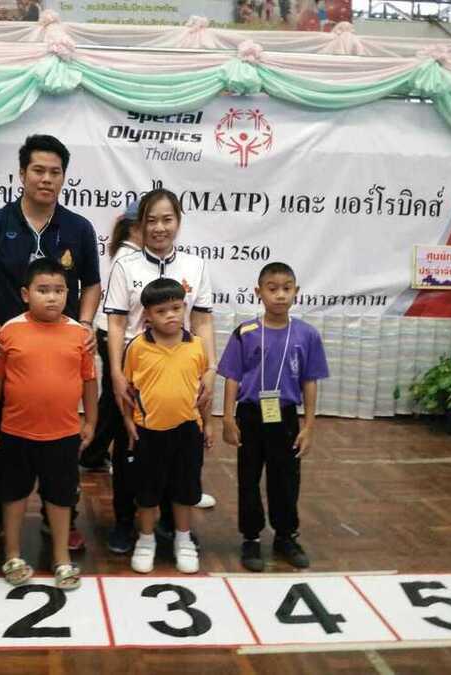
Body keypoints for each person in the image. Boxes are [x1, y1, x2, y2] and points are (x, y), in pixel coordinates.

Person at [0, 134, 101, 556]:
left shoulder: (79, 228)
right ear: (22, 173)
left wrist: (85, 324)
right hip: (9, 349)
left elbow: (92, 284)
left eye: (55, 172)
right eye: (38, 170)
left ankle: (60, 519)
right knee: (2, 441)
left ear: (64, 177)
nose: (46, 179)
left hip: (61, 352)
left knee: (61, 443)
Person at [103, 188, 218, 543]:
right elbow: (116, 324)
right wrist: (116, 373)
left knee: (180, 449)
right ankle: (125, 521)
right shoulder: (125, 265)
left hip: (182, 372)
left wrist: (210, 368)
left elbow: (202, 321)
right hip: (136, 371)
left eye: (167, 219)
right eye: (151, 220)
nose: (159, 228)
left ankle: (171, 522)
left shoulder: (195, 266)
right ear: (140, 224)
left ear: (178, 222)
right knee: (131, 447)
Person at [0, 258, 97, 590]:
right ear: (25, 294)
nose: (52, 297)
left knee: (61, 497)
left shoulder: (80, 334)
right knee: (13, 494)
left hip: (63, 434)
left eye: (59, 290)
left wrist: (91, 420)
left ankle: (61, 557)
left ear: (68, 294)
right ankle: (13, 554)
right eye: (43, 290)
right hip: (16, 433)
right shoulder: (8, 331)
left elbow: (89, 380)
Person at [219, 262, 329, 572]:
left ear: (296, 292)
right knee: (249, 478)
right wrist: (227, 417)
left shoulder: (307, 334)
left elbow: (310, 381)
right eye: (272, 289)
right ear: (259, 292)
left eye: (286, 288)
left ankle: (285, 535)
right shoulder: (246, 333)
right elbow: (232, 376)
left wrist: (309, 426)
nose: (280, 295)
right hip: (251, 415)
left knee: (286, 479)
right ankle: (251, 537)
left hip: (285, 417)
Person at [122, 279, 212, 575]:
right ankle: (146, 540)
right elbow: (127, 391)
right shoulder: (137, 347)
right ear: (147, 315)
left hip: (188, 430)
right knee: (148, 490)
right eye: (161, 311)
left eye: (175, 308)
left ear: (184, 307)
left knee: (185, 488)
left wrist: (208, 424)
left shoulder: (197, 346)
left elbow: (204, 393)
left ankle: (183, 540)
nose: (170, 315)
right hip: (148, 432)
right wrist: (128, 422)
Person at [77, 202, 143, 554]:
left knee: (111, 400)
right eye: (148, 222)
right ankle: (97, 453)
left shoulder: (130, 254)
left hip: (117, 337)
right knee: (118, 403)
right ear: (133, 227)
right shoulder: (128, 258)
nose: (157, 229)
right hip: (117, 336)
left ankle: (92, 452)